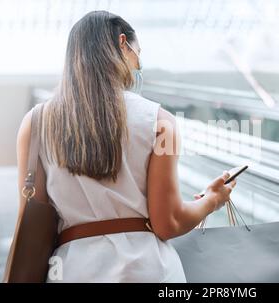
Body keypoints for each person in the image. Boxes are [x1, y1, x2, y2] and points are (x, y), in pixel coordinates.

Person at [15, 10, 236, 282]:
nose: (138, 65)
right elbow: (168, 223)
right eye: (137, 53)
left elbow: (32, 218)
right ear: (123, 43)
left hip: (71, 270)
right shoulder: (159, 121)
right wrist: (212, 200)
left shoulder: (36, 123)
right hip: (146, 270)